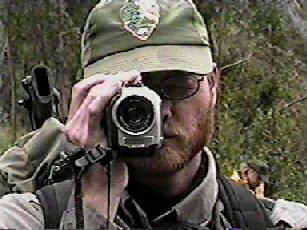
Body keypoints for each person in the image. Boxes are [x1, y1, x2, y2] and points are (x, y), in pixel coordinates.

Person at [0, 0, 306, 229]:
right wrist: (91, 207)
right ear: (91, 98)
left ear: (212, 85)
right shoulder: (27, 218)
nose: (159, 110)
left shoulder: (280, 223)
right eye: (129, 95)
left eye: (176, 83)